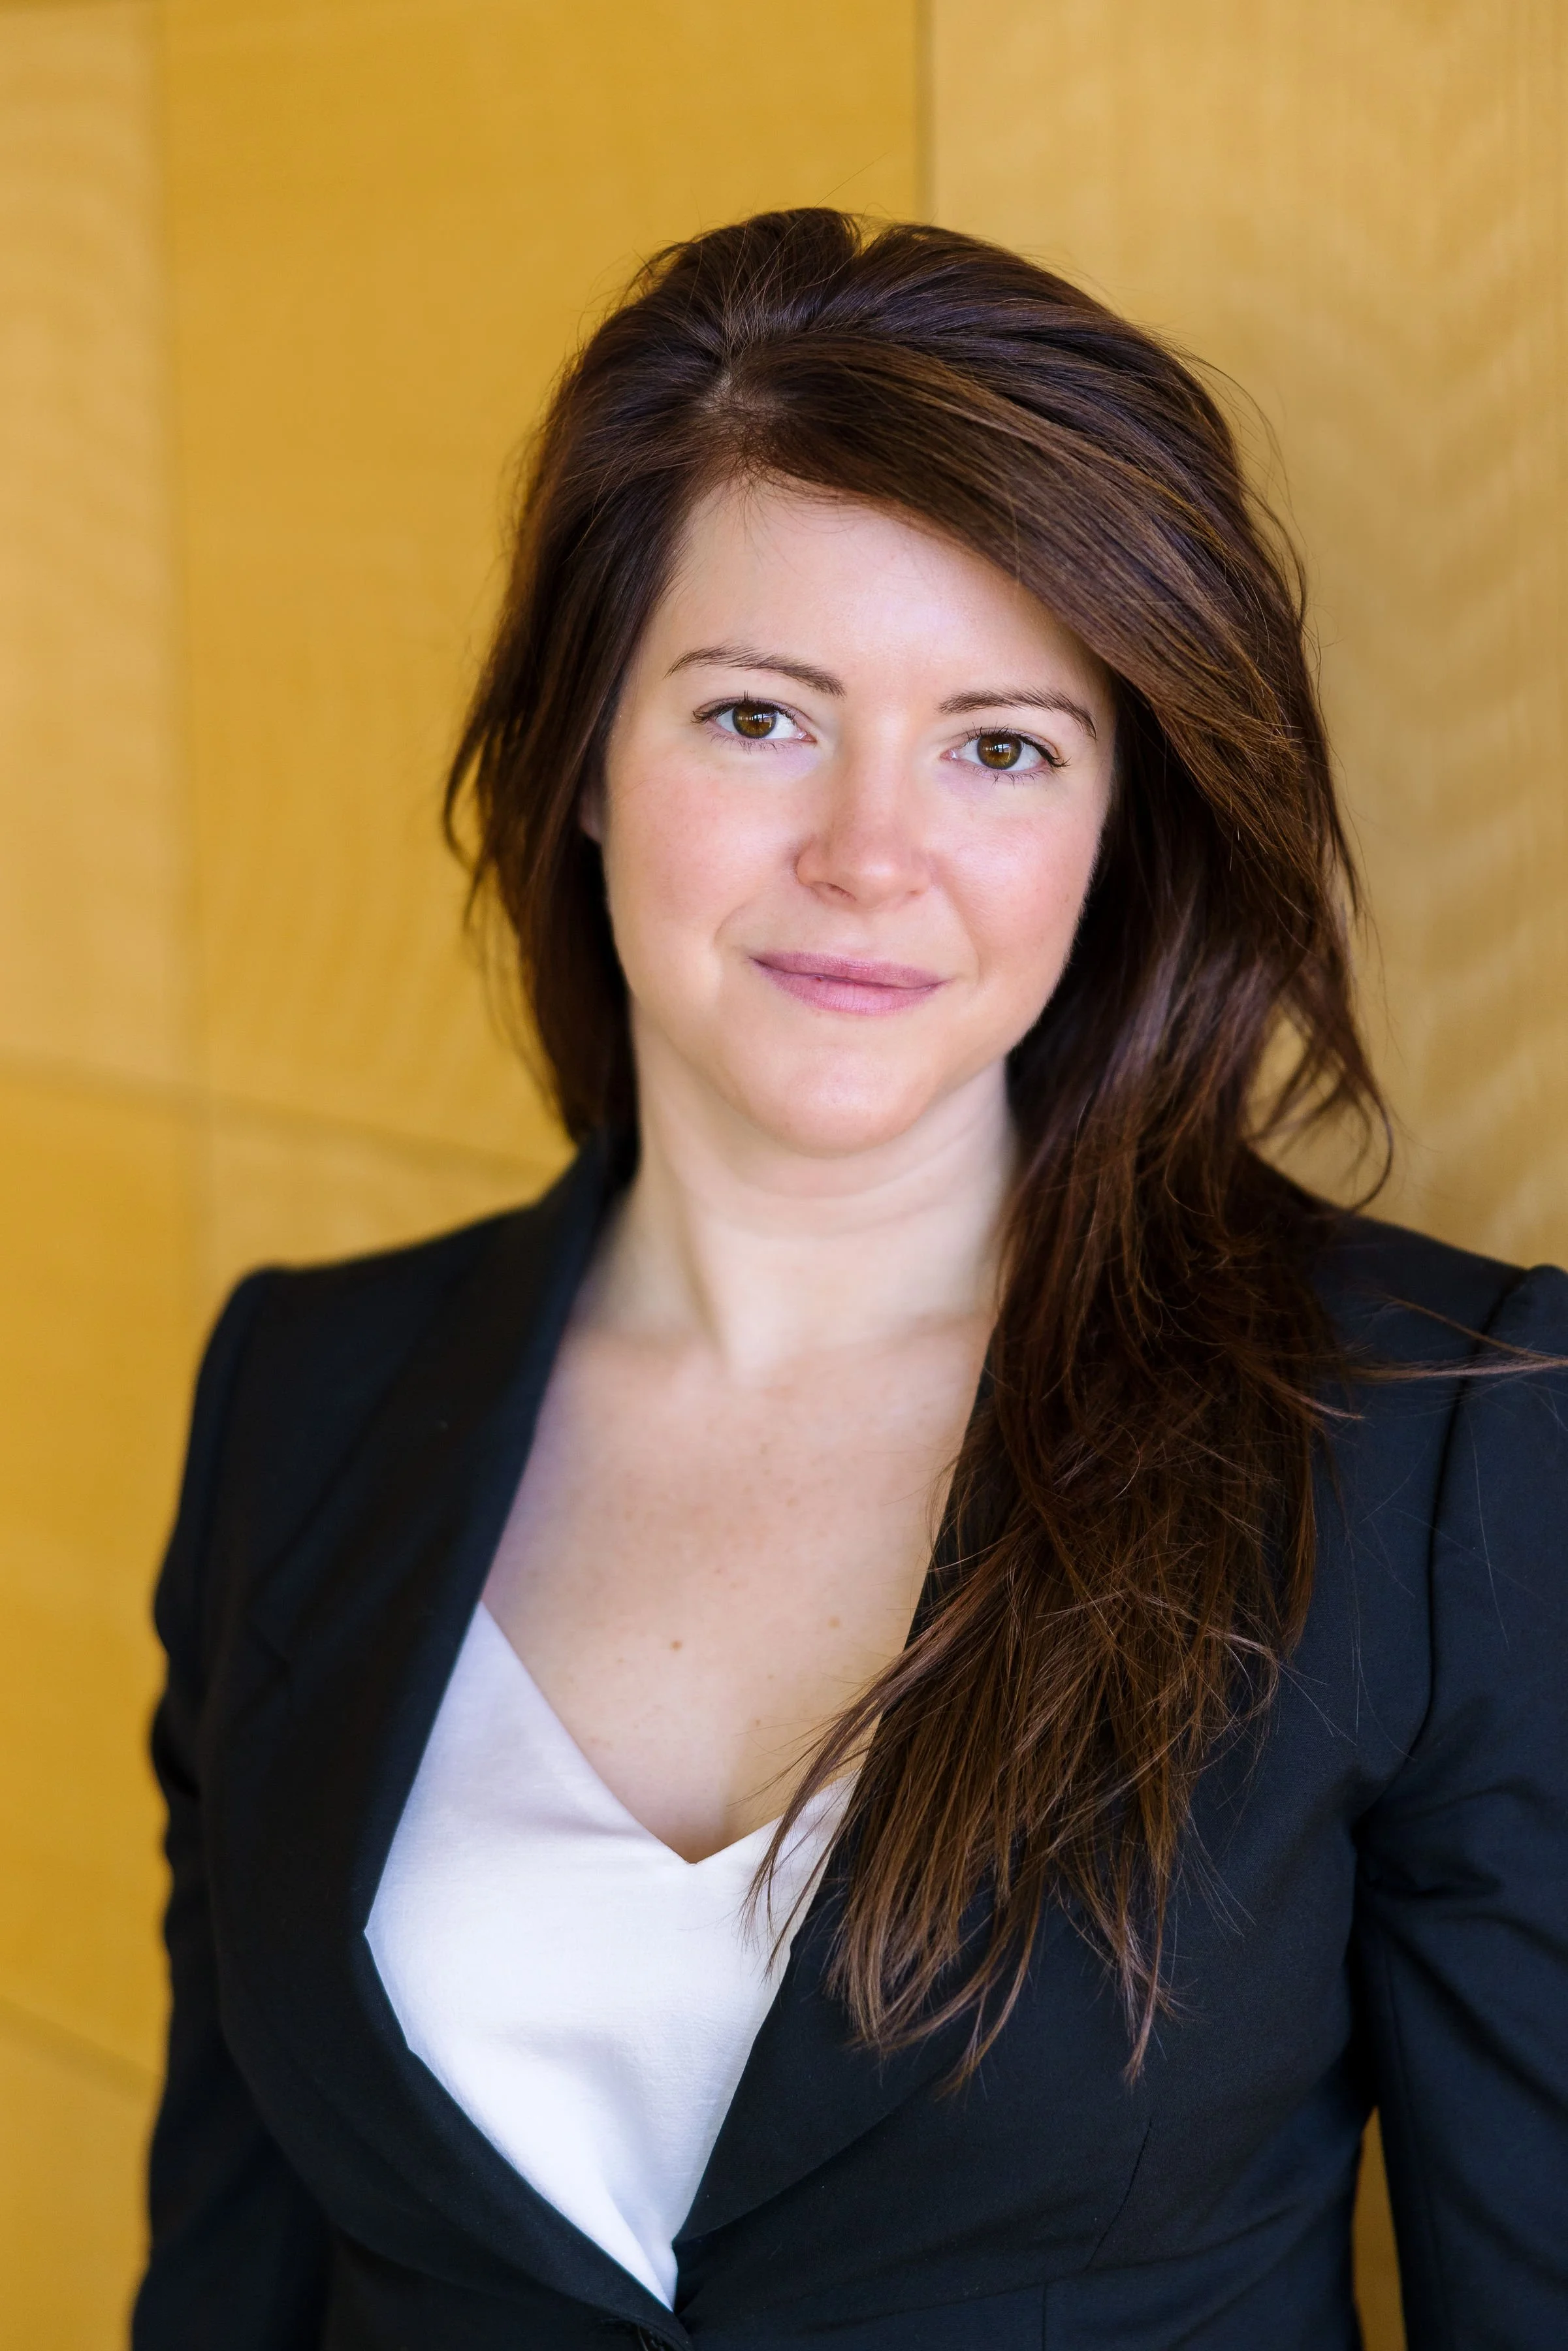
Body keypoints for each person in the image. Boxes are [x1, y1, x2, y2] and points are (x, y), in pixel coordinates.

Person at [132, 210, 1568, 2351]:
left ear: (1119, 825)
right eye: (759, 718)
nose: (871, 857)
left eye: (1002, 746)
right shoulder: (302, 1389)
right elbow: (232, 2271)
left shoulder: (1436, 1435)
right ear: (590, 758)